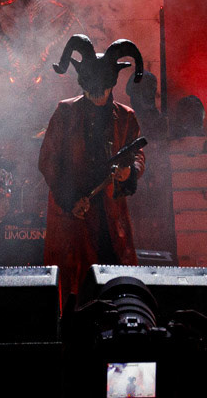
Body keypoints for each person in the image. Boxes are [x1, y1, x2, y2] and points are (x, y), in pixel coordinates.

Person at [39, 35, 149, 311]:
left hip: (110, 215)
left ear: (112, 84)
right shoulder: (65, 113)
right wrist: (69, 199)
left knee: (113, 283)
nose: (97, 97)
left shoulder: (126, 117)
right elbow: (48, 161)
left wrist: (130, 172)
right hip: (72, 216)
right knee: (75, 290)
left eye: (103, 90)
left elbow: (136, 154)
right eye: (91, 91)